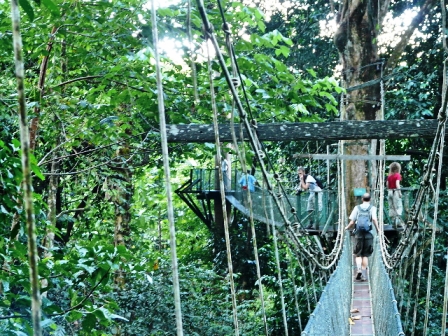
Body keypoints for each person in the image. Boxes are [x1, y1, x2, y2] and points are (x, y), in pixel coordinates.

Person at [345, 193, 379, 281]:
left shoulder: (357, 208)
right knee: (365, 255)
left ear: (362, 199)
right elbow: (374, 219)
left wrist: (347, 228)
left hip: (358, 234)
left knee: (358, 254)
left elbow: (352, 222)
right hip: (368, 234)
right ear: (370, 199)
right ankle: (364, 274)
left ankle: (359, 270)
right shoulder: (373, 208)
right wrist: (378, 230)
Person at [387, 162, 403, 229]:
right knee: (398, 206)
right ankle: (397, 221)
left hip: (390, 191)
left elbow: (387, 184)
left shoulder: (389, 176)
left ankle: (393, 221)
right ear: (398, 168)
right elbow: (397, 184)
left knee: (391, 207)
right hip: (395, 191)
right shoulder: (397, 175)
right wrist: (399, 193)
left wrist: (389, 190)